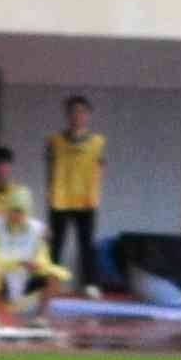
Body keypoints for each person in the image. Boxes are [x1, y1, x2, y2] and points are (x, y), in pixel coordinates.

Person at [0, 200, 73, 326]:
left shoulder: (36, 229)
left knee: (54, 276)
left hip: (25, 279)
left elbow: (43, 257)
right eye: (14, 211)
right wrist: (18, 263)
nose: (16, 216)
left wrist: (36, 264)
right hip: (3, 277)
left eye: (20, 212)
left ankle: (40, 318)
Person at [43, 96, 105, 285]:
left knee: (86, 245)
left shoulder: (98, 142)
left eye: (82, 112)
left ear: (88, 115)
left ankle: (90, 285)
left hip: (86, 201)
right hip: (60, 200)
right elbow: (50, 168)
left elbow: (101, 169)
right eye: (73, 112)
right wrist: (49, 191)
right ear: (67, 115)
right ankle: (49, 284)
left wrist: (96, 193)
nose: (77, 116)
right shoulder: (54, 141)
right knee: (55, 246)